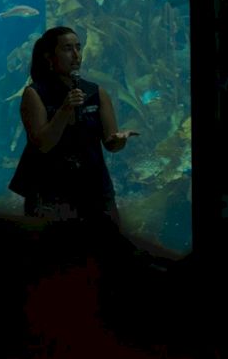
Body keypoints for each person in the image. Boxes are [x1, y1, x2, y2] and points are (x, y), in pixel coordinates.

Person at [8, 26, 137, 224]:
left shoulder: (96, 92)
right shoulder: (35, 94)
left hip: (95, 190)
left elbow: (111, 144)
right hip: (51, 194)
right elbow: (43, 144)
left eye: (79, 47)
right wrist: (65, 110)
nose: (76, 55)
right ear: (49, 56)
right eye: (68, 49)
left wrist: (120, 140)